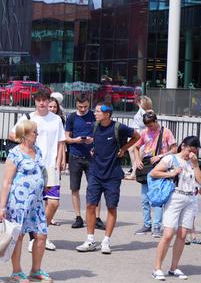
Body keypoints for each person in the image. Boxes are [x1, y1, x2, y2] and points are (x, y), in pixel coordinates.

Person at [76, 103, 139, 254]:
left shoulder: (119, 127)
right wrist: (93, 149)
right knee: (91, 205)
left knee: (111, 207)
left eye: (98, 111)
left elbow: (137, 136)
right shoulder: (95, 126)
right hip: (95, 173)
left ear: (107, 114)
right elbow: (98, 143)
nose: (95, 113)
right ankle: (90, 240)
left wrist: (123, 149)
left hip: (113, 175)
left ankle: (106, 241)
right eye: (96, 111)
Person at [0, 119, 51, 283]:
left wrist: (44, 184)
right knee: (18, 236)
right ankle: (16, 271)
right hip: (18, 201)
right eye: (34, 131)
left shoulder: (38, 150)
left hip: (36, 202)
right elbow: (7, 182)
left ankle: (35, 270)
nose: (37, 134)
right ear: (26, 134)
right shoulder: (15, 153)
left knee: (42, 234)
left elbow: (41, 171)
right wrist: (1, 207)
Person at [151, 136, 201, 281]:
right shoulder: (171, 159)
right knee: (168, 234)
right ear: (183, 145)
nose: (191, 154)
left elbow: (200, 181)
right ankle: (157, 268)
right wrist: (171, 173)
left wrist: (195, 165)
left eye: (195, 151)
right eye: (190, 150)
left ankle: (174, 267)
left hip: (190, 198)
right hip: (175, 197)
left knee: (182, 234)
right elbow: (154, 173)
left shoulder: (194, 162)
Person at [29, 88, 65, 251]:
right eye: (39, 100)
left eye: (44, 100)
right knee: (34, 203)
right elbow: (13, 135)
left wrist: (59, 161)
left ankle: (41, 232)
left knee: (53, 203)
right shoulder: (29, 118)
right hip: (33, 166)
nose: (42, 103)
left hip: (50, 167)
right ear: (35, 101)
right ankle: (34, 238)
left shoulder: (56, 119)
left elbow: (60, 142)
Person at [131, 111, 177, 238]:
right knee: (145, 199)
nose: (149, 128)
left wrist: (160, 156)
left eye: (151, 125)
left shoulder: (166, 132)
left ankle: (157, 226)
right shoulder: (145, 133)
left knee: (157, 198)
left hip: (160, 166)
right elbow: (135, 147)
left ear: (156, 121)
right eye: (147, 126)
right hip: (146, 167)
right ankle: (147, 225)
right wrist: (138, 160)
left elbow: (174, 149)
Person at [65, 94, 106, 230]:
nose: (83, 109)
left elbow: (101, 135)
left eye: (85, 107)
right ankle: (78, 217)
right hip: (75, 156)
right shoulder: (71, 117)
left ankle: (97, 217)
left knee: (95, 188)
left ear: (90, 105)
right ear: (76, 105)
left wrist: (92, 140)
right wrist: (76, 140)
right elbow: (66, 138)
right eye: (80, 107)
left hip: (91, 157)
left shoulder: (94, 116)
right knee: (74, 188)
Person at [126, 95, 153, 180]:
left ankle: (134, 172)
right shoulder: (144, 111)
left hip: (140, 134)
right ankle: (134, 170)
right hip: (138, 134)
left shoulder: (143, 111)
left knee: (137, 153)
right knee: (132, 150)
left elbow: (144, 123)